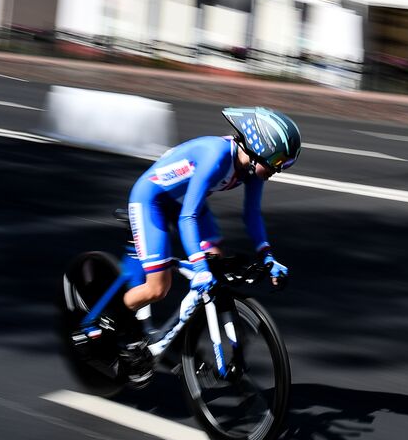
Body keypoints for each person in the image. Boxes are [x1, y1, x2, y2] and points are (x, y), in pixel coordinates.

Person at [96, 106, 302, 386]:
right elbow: (187, 217)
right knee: (158, 287)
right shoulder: (217, 157)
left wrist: (267, 256)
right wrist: (198, 264)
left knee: (216, 266)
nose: (279, 169)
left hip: (186, 201)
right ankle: (110, 322)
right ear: (258, 147)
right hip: (152, 201)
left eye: (286, 164)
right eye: (279, 161)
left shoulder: (252, 170)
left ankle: (180, 336)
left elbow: (252, 214)